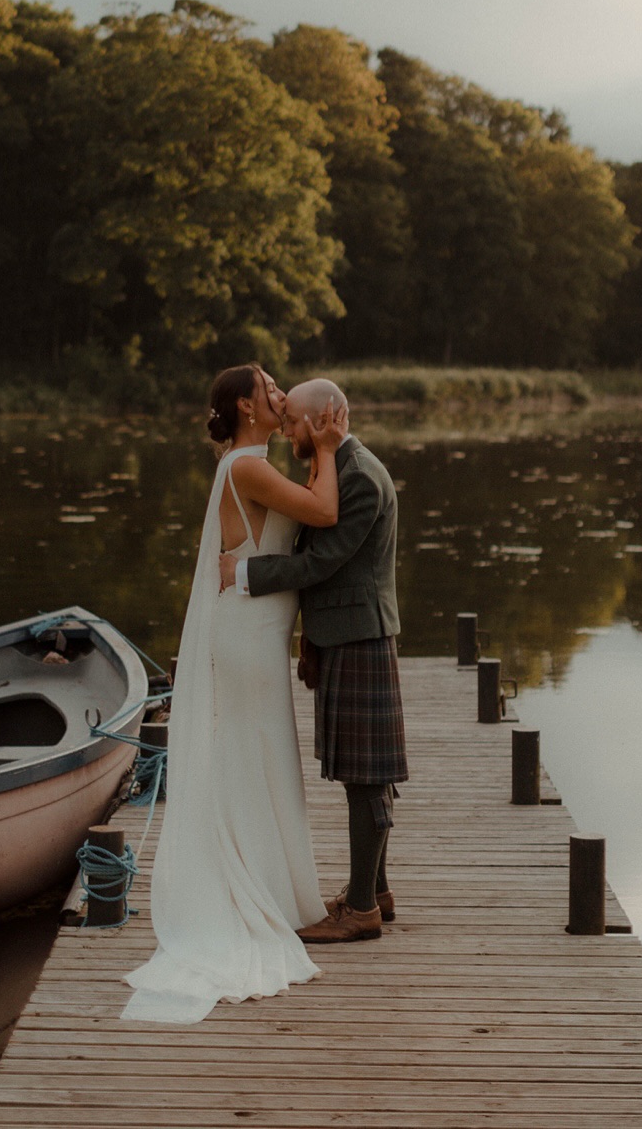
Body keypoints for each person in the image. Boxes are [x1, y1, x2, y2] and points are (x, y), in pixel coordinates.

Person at [122, 363, 345, 1024]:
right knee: (250, 760)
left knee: (262, 761)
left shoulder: (256, 466)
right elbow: (326, 511)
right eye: (272, 390)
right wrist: (329, 449)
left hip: (260, 634)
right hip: (244, 639)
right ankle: (251, 896)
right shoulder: (245, 468)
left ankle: (272, 891)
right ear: (248, 407)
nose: (282, 396)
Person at [220, 378, 407, 944]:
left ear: (329, 417)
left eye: (299, 422)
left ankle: (360, 911)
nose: (292, 432)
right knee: (362, 773)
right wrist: (310, 638)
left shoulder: (359, 479)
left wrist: (244, 574)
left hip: (361, 638)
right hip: (342, 634)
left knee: (366, 777)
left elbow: (319, 563)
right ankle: (372, 891)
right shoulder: (339, 467)